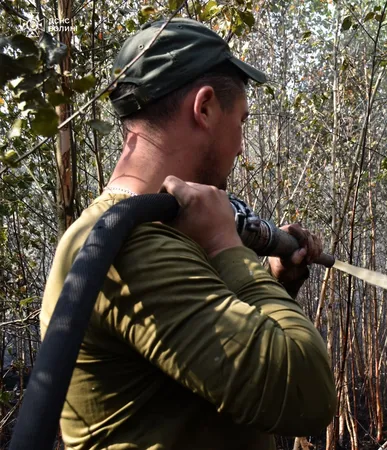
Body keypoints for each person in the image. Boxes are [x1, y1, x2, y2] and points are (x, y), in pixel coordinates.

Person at [40, 18, 336, 449]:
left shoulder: (159, 232)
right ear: (205, 107)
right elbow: (307, 392)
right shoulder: (134, 246)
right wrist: (226, 247)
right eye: (242, 122)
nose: (240, 146)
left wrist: (271, 285)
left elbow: (201, 368)